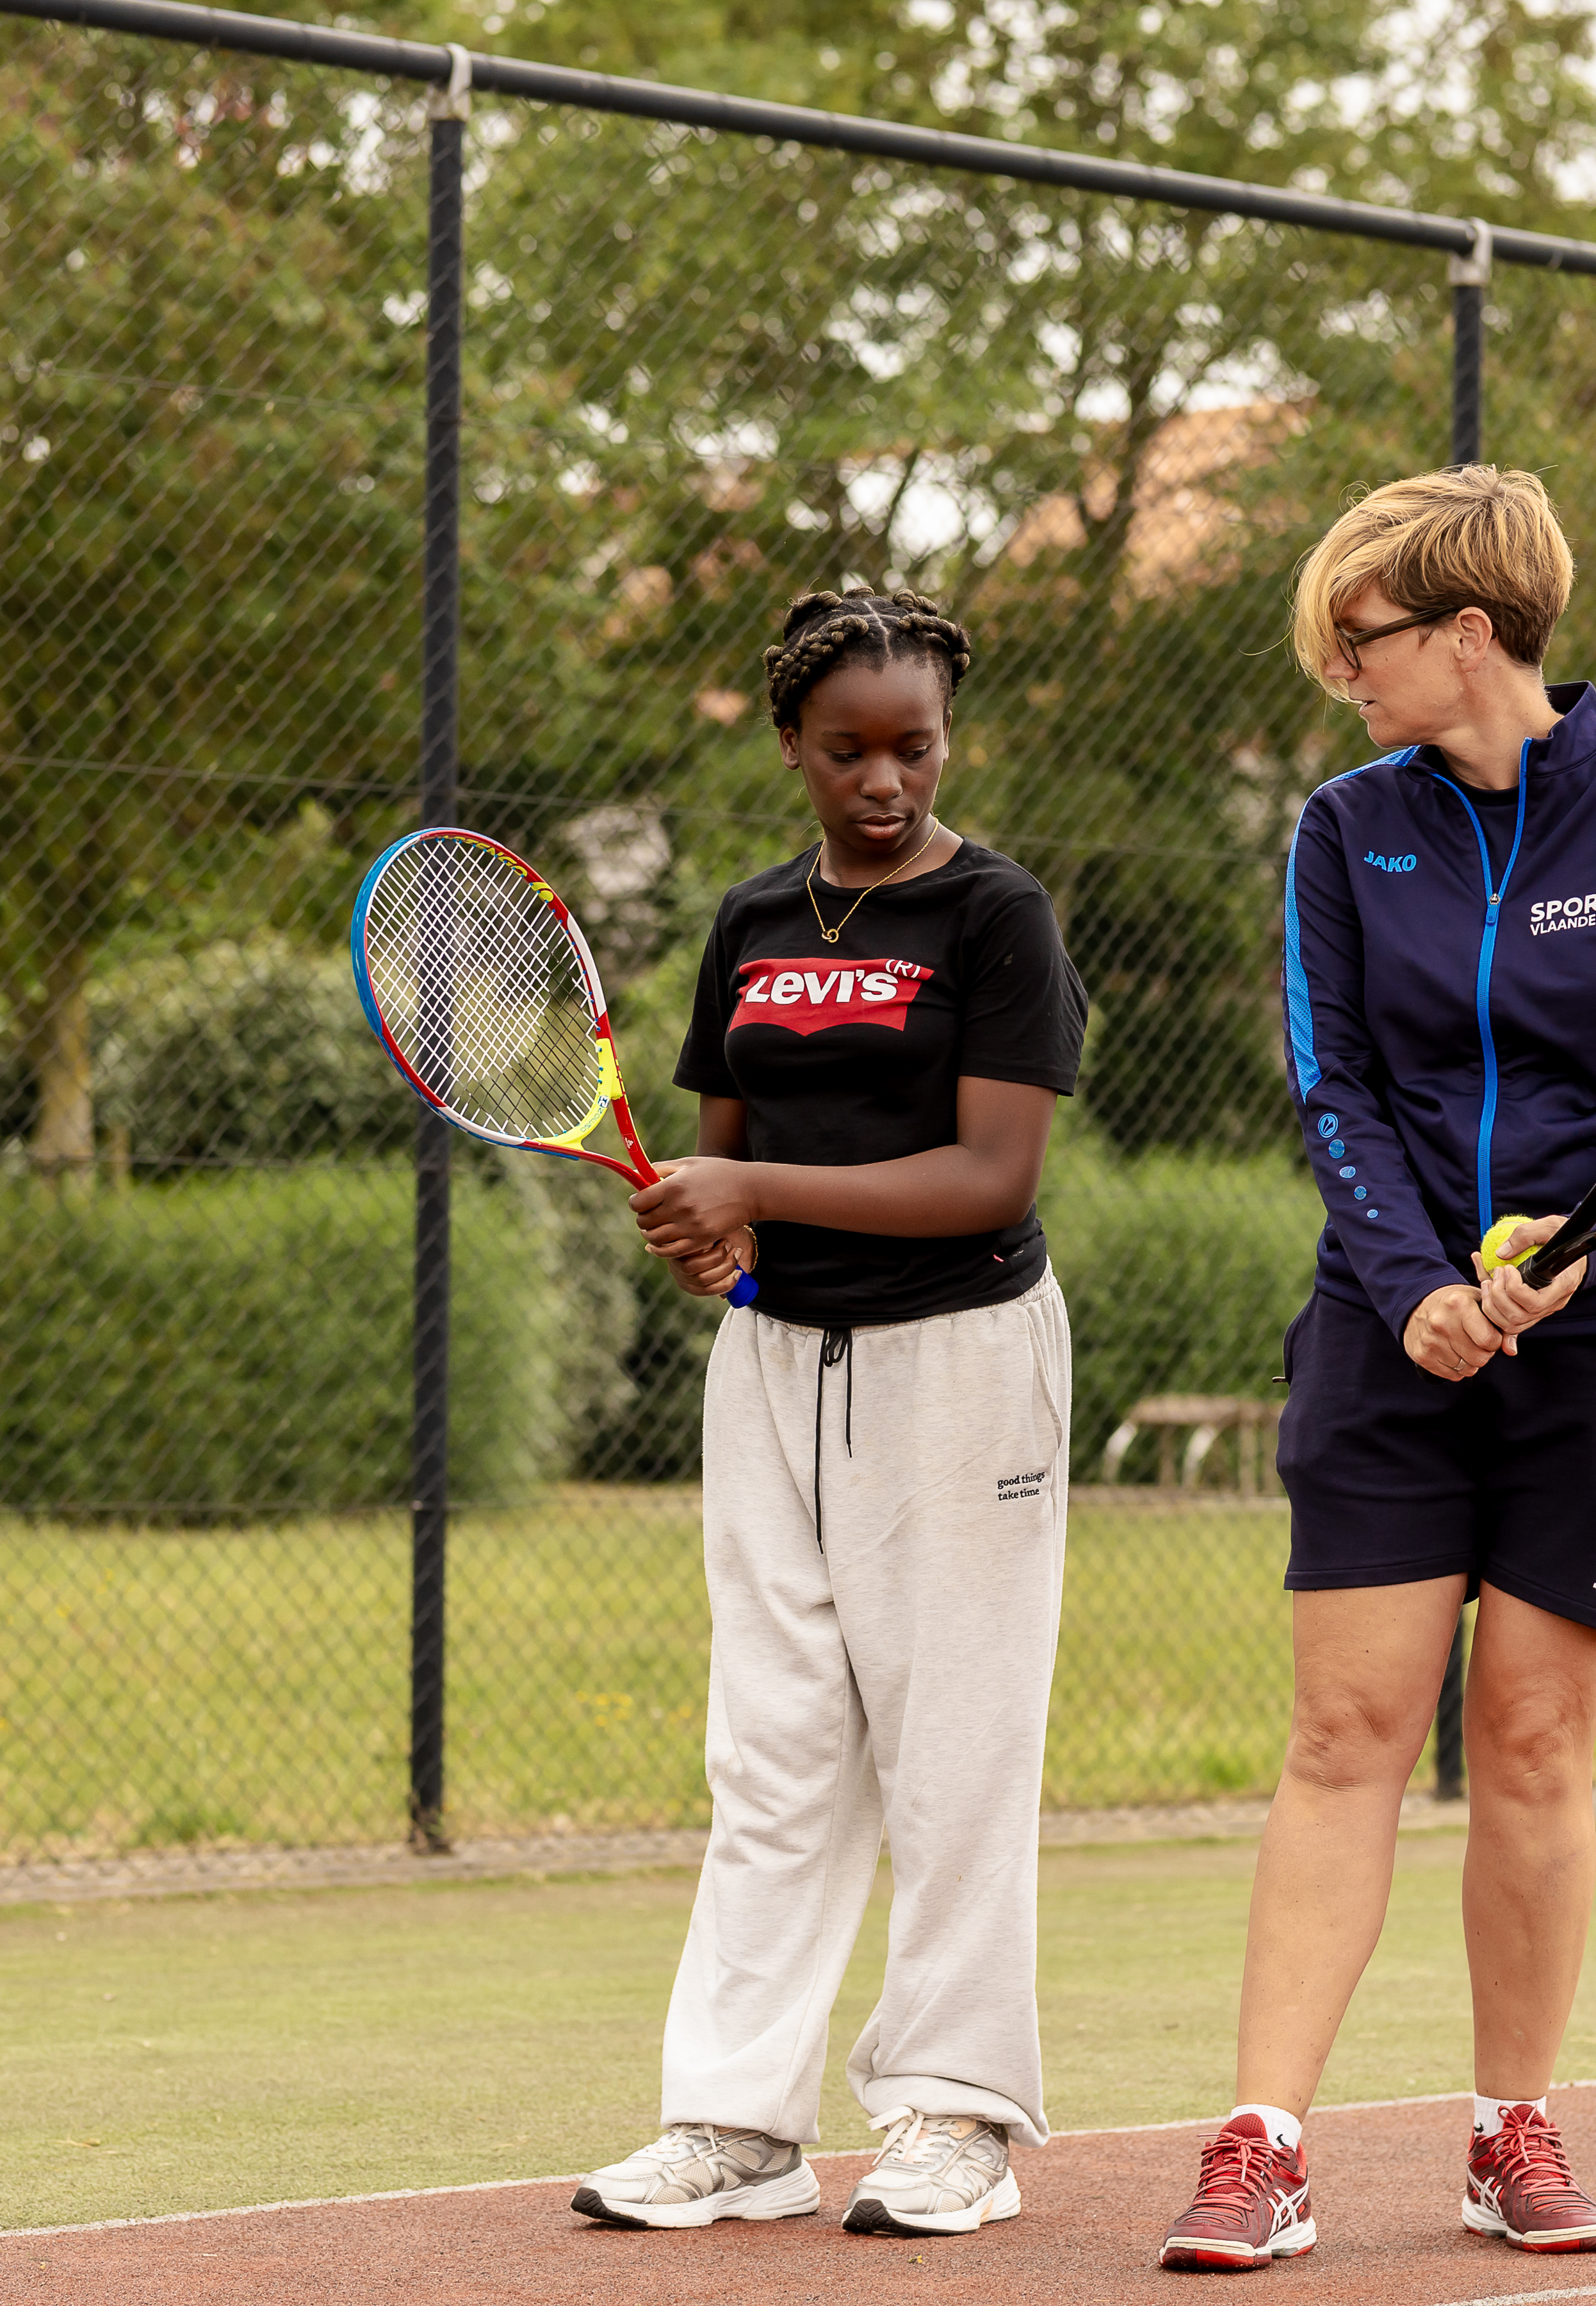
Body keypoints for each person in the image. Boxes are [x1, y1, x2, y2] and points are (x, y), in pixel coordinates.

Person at [1156, 468, 1596, 2273]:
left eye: (1357, 644)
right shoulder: (1347, 829)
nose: (1339, 678)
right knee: (1346, 1730)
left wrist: (1574, 1265)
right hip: (1389, 1326)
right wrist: (1424, 1284)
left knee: (1529, 1732)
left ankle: (1513, 2125)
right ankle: (1260, 2144)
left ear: (1469, 635)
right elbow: (1332, 1085)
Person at [570, 587, 1088, 2243]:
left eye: (915, 746)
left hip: (963, 1359)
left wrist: (749, 1184)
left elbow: (988, 1174)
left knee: (954, 1749)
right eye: (850, 749)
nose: (886, 779)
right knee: (776, 1750)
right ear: (792, 745)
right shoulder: (748, 921)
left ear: (947, 739)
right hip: (776, 1366)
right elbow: (716, 1166)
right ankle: (737, 2126)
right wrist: (705, 1237)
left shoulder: (998, 916)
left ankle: (956, 2119)